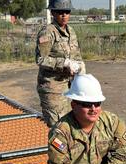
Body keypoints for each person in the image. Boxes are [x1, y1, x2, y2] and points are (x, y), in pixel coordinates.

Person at [36, 0, 85, 128]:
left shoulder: (71, 31)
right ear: (52, 12)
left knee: (72, 126)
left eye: (67, 12)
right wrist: (63, 63)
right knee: (57, 127)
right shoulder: (48, 32)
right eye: (60, 12)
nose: (64, 15)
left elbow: (76, 55)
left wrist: (80, 68)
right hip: (52, 89)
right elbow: (41, 59)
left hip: (70, 86)